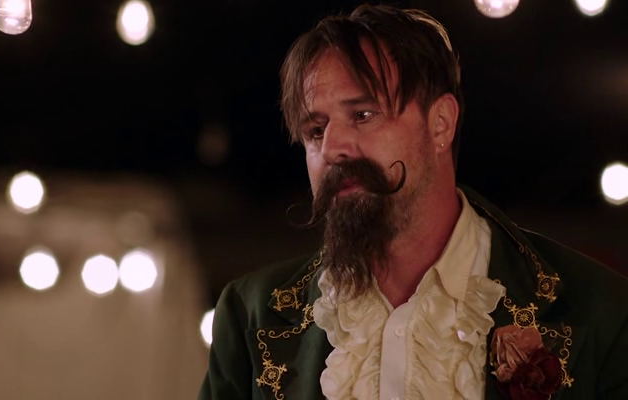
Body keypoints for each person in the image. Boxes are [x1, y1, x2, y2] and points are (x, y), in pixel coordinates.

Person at [198, 4, 628, 399]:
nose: (332, 148)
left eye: (363, 115)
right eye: (315, 130)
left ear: (441, 123)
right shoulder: (249, 315)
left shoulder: (600, 311)